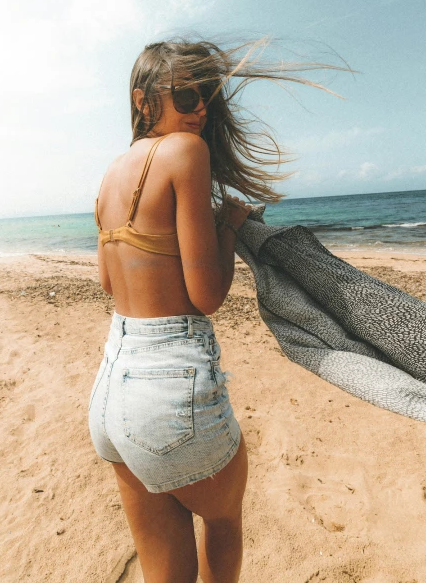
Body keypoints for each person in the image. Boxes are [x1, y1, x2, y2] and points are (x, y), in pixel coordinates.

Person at [89, 38, 339, 583]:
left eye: (205, 97)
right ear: (143, 99)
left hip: (111, 388)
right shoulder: (186, 153)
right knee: (223, 520)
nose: (199, 109)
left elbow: (111, 282)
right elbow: (207, 296)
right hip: (169, 384)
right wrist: (229, 223)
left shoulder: (110, 174)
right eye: (185, 95)